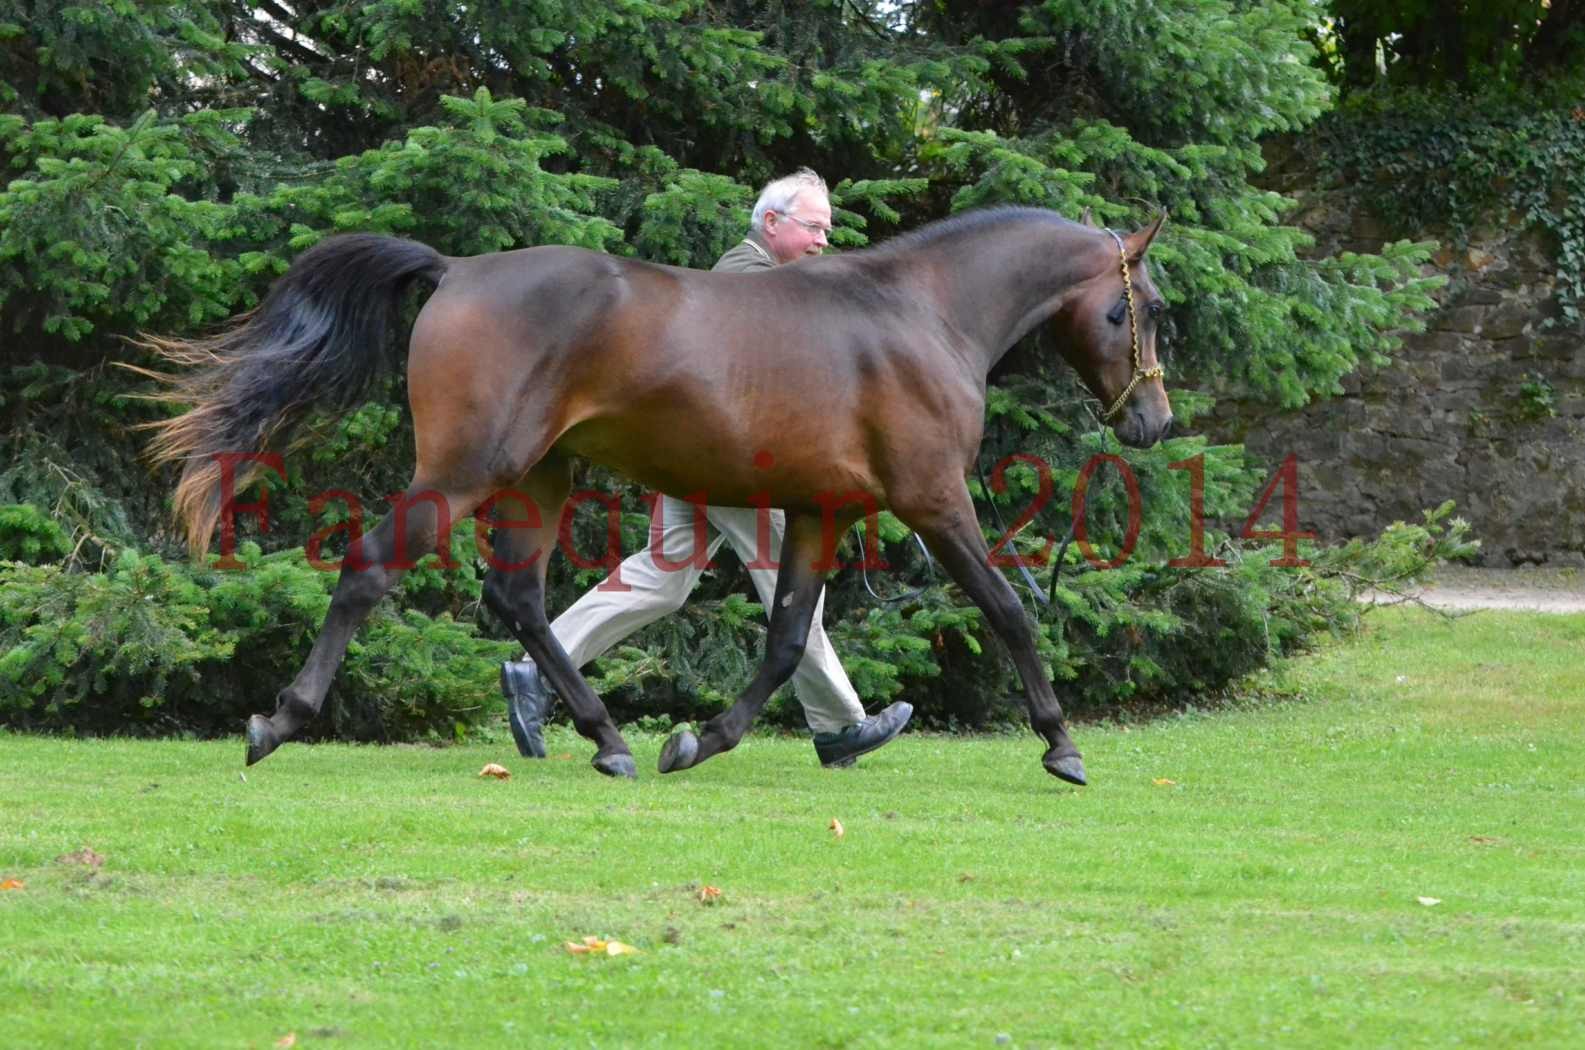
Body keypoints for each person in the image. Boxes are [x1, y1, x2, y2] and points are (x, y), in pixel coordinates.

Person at [500, 168, 913, 768]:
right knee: (794, 592)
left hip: (698, 462)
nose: (825, 241)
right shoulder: (746, 278)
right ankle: (839, 725)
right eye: (814, 228)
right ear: (771, 224)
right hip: (739, 469)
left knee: (661, 578)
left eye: (828, 228)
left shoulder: (775, 278)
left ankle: (538, 667)